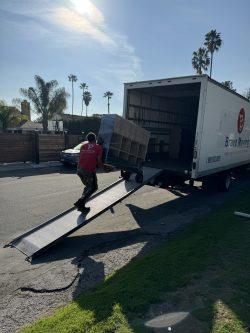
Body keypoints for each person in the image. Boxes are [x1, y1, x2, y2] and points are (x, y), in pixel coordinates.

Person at [74, 132, 103, 213]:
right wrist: (105, 167)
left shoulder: (83, 146)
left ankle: (81, 205)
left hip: (79, 169)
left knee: (88, 186)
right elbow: (99, 161)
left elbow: (80, 157)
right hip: (88, 170)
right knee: (94, 187)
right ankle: (80, 202)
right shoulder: (98, 147)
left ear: (87, 139)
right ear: (95, 139)